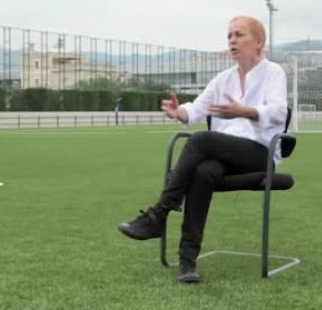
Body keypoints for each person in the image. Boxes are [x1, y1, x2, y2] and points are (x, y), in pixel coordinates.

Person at [117, 15, 288, 283]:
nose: (232, 40)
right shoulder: (223, 79)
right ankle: (187, 262)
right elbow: (196, 108)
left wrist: (244, 111)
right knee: (205, 172)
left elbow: (279, 112)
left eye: (239, 35)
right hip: (223, 154)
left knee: (200, 140)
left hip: (259, 154)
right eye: (229, 35)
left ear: (258, 41)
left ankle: (158, 215)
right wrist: (178, 112)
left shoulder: (273, 73)